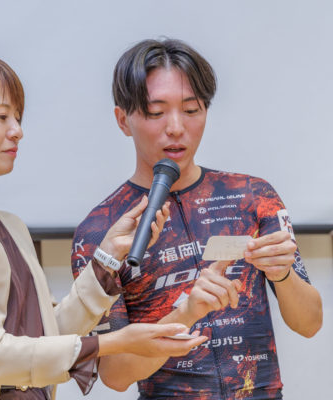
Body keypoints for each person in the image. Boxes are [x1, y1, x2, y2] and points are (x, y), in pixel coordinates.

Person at [0, 48, 209, 400]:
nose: (17, 131)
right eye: (1, 117)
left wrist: (108, 257)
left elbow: (48, 337)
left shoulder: (9, 225)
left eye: (18, 117)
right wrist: (114, 343)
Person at [71, 38, 323, 399]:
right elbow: (115, 374)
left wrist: (282, 274)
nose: (176, 127)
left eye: (191, 110)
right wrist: (186, 313)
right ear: (123, 120)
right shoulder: (101, 232)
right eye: (156, 113)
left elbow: (310, 323)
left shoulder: (252, 196)